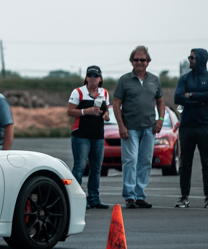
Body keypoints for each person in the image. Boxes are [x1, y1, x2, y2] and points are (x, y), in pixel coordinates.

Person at [113, 46, 164, 209]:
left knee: (145, 161)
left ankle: (140, 194)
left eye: (142, 60)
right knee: (130, 160)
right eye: (136, 60)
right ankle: (129, 196)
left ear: (148, 62)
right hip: (130, 129)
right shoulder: (124, 80)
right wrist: (121, 125)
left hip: (150, 128)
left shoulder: (154, 80)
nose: (139, 62)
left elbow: (161, 101)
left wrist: (160, 119)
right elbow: (116, 104)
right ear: (131, 61)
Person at [173, 48, 208, 209]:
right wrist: (201, 100)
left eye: (192, 57)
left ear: (201, 59)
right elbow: (178, 97)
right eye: (189, 57)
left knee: (207, 163)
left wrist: (191, 95)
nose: (190, 60)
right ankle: (184, 197)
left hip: (205, 126)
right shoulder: (184, 78)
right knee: (185, 163)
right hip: (187, 127)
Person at [67, 66, 110, 209]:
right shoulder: (78, 92)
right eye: (90, 75)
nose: (92, 78)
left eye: (95, 75)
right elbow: (70, 111)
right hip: (81, 135)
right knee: (79, 167)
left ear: (100, 78)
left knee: (96, 169)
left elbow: (106, 110)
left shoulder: (104, 92)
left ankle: (94, 198)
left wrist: (106, 115)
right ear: (86, 78)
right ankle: (75, 198)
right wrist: (86, 111)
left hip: (98, 135)